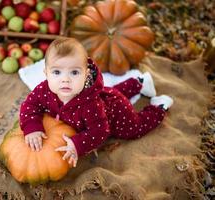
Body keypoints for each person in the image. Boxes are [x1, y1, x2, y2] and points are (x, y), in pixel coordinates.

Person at [19, 37, 173, 167]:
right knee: (112, 91)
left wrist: (78, 144)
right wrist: (31, 127)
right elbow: (30, 105)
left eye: (74, 72)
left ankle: (159, 107)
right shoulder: (44, 90)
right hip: (107, 95)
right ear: (46, 73)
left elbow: (99, 131)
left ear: (86, 74)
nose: (65, 79)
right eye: (57, 72)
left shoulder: (90, 105)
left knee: (134, 129)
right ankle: (139, 82)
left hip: (116, 113)